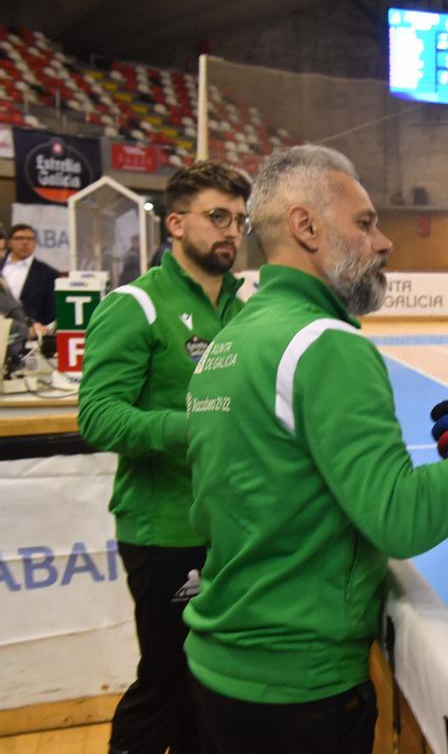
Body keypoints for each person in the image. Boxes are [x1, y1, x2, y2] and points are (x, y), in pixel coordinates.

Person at [183, 145, 448, 754]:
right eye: (366, 222)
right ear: (307, 227)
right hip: (300, 689)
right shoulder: (328, 345)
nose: (384, 242)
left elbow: (287, 485)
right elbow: (399, 517)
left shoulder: (232, 337)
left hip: (222, 665)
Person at [77, 160, 253, 754]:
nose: (231, 230)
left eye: (238, 219)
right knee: (167, 684)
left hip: (230, 529)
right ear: (175, 223)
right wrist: (197, 429)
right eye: (217, 216)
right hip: (164, 530)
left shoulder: (243, 309)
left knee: (214, 687)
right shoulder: (136, 305)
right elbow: (97, 415)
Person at [1, 223, 58, 333]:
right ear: (9, 242)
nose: (25, 242)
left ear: (35, 243)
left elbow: (52, 309)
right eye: (19, 238)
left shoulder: (48, 273)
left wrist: (45, 330)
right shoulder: (1, 267)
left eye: (30, 239)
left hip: (33, 333)